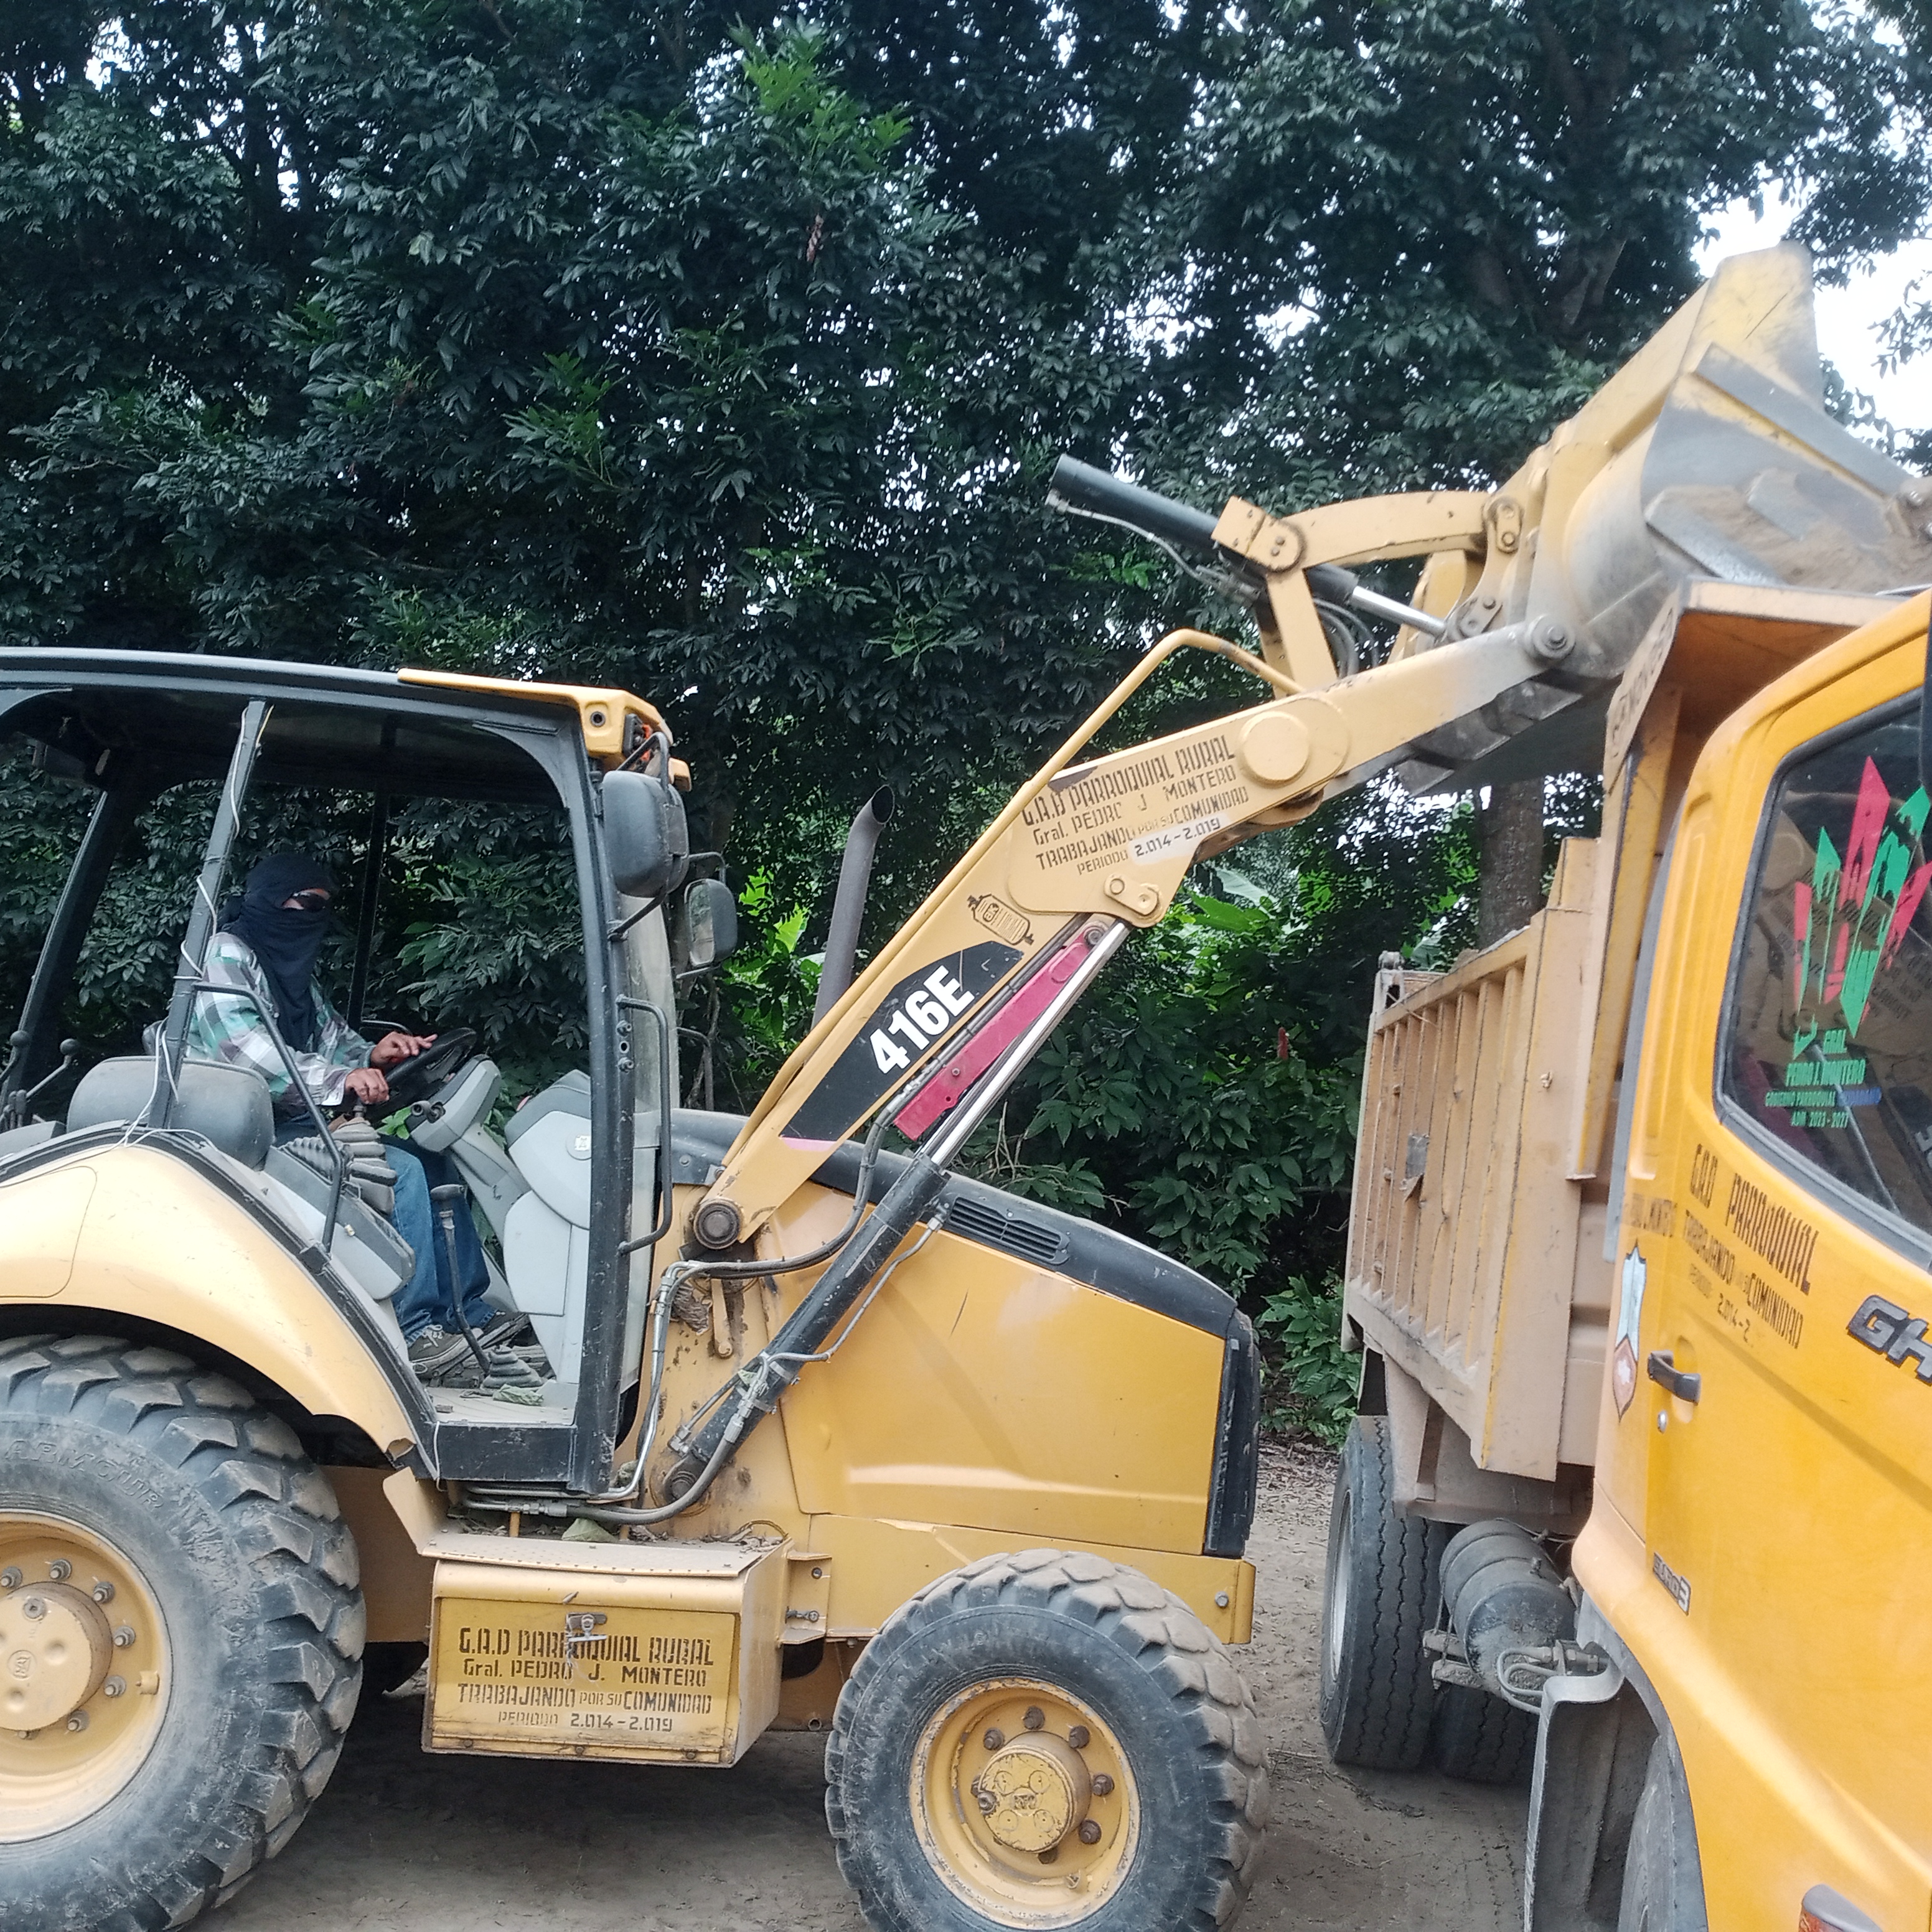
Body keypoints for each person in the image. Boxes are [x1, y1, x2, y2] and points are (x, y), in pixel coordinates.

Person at [186, 851, 514, 1379]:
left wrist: (374, 1056)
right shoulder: (226, 954)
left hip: (292, 1124)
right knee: (397, 1173)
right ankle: (415, 1333)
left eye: (323, 907)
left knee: (434, 1166)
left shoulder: (288, 972)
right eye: (307, 904)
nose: (315, 919)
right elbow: (247, 1055)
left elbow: (332, 1040)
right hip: (239, 1130)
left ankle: (467, 1315)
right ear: (272, 900)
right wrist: (342, 1080)